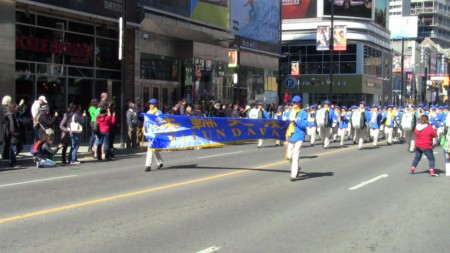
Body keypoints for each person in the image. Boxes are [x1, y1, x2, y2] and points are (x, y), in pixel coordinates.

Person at [285, 96, 308, 182]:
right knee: (289, 156)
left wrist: (296, 121)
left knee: (295, 155)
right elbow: (284, 124)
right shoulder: (288, 113)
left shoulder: (303, 113)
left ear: (299, 103)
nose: (295, 104)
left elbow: (304, 125)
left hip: (299, 136)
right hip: (291, 136)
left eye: (297, 102)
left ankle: (293, 175)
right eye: (294, 102)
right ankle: (297, 168)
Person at [145, 98, 164, 172]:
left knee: (150, 148)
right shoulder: (147, 112)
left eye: (152, 104)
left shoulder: (158, 112)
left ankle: (148, 165)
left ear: (155, 105)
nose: (150, 105)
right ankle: (160, 162)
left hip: (155, 132)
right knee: (154, 149)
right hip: (150, 132)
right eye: (150, 104)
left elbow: (160, 121)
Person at [4, 103, 23, 168]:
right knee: (13, 149)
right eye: (16, 108)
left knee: (18, 148)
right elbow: (12, 127)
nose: (17, 110)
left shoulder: (13, 115)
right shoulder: (10, 115)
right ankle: (12, 163)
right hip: (13, 136)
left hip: (13, 135)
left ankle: (12, 162)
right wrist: (15, 133)